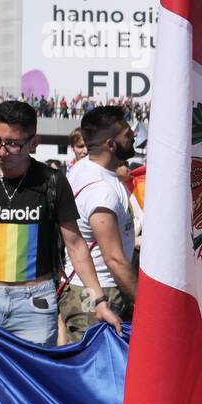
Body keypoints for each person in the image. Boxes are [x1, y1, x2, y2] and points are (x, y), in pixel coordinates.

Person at [0, 100, 123, 345]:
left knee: (30, 379)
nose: (0, 150)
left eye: (12, 144)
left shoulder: (53, 181)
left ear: (33, 143)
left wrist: (99, 301)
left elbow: (75, 246)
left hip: (36, 304)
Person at [59, 106, 138, 343]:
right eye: (126, 133)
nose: (133, 135)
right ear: (111, 145)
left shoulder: (81, 169)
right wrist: (144, 304)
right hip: (101, 295)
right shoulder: (101, 192)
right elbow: (114, 259)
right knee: (94, 374)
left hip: (89, 291)